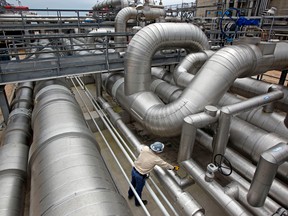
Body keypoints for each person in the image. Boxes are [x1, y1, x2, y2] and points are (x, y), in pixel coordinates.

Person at [128, 141, 179, 206]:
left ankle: (130, 194)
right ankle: (138, 203)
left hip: (134, 169)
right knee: (138, 189)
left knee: (133, 183)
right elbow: (166, 165)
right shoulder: (156, 159)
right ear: (158, 151)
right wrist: (174, 168)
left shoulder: (145, 148)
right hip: (140, 176)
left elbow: (142, 149)